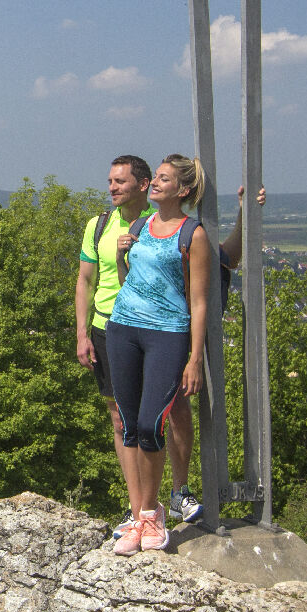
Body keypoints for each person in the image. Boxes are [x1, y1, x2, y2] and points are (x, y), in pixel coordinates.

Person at [104, 154, 211, 555]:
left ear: (182, 190)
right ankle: (138, 516)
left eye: (163, 180)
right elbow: (129, 279)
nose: (155, 185)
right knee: (130, 424)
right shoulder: (140, 226)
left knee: (151, 424)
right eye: (156, 179)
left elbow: (198, 301)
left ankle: (152, 514)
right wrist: (119, 254)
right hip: (123, 329)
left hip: (167, 334)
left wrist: (194, 358)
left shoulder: (192, 233)